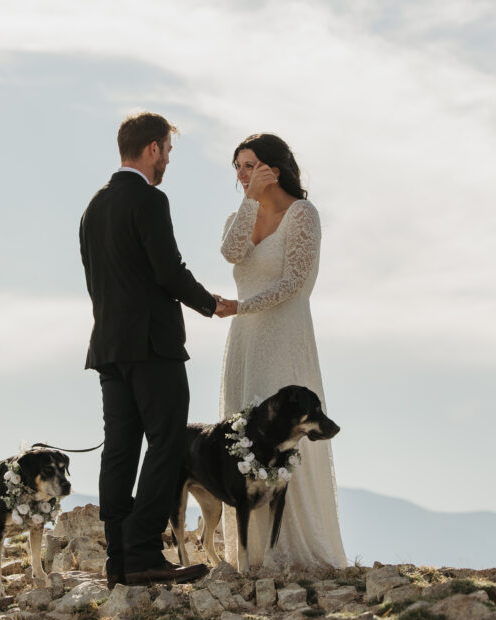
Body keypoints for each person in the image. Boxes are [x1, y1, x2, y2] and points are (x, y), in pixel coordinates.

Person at [80, 111, 234, 588]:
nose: (167, 159)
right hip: (153, 344)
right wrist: (211, 304)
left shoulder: (93, 207)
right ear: (151, 149)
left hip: (108, 346)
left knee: (120, 450)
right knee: (167, 442)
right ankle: (144, 551)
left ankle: (118, 560)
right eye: (167, 150)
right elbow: (168, 270)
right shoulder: (149, 200)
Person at [215, 133, 348, 570]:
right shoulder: (241, 215)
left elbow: (294, 282)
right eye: (237, 167)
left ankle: (292, 550)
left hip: (284, 336)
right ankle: (250, 554)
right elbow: (231, 252)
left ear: (274, 167)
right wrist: (250, 202)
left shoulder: (303, 214)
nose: (241, 175)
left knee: (285, 431)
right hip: (245, 343)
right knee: (244, 439)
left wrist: (241, 306)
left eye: (250, 165)